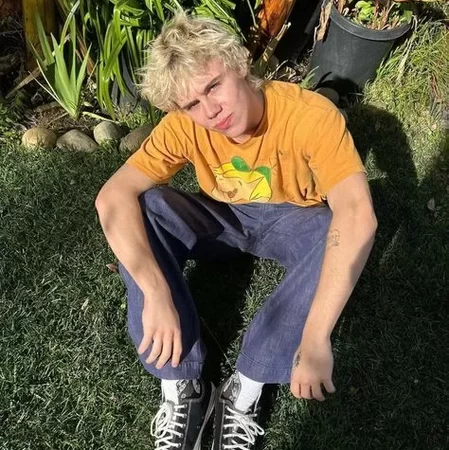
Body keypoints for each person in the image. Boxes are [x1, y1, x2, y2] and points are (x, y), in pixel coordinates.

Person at [95, 11, 377, 450]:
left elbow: (358, 212)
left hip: (293, 219)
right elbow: (112, 198)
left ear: (240, 65)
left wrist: (316, 335)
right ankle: (182, 386)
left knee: (334, 230)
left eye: (213, 86)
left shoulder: (309, 115)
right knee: (145, 206)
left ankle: (246, 386)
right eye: (192, 104)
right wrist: (156, 292)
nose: (210, 111)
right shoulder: (185, 125)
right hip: (223, 219)